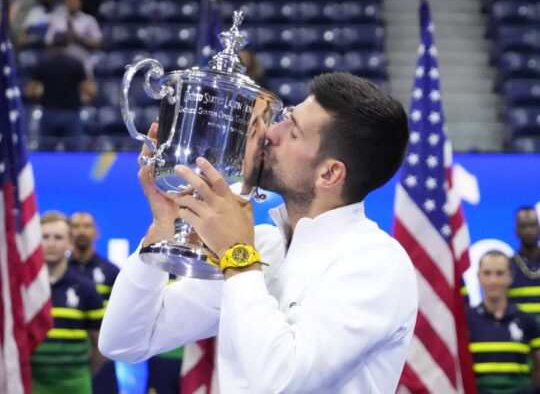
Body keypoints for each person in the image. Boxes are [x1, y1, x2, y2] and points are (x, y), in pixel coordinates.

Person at [99, 72, 418, 393]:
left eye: (292, 131)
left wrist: (238, 255)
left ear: (329, 173)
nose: (267, 131)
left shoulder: (377, 263)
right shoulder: (263, 245)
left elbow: (281, 382)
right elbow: (126, 341)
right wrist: (163, 228)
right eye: (284, 117)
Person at [31, 211, 106, 394]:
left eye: (58, 237)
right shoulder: (24, 289)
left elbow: (101, 346)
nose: (51, 243)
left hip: (76, 385)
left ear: (70, 242)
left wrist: (80, 374)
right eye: (45, 237)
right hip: (31, 386)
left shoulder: (86, 289)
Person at [467, 250, 540, 394]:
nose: (493, 281)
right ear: (478, 277)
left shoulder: (527, 321)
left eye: (500, 273)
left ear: (510, 277)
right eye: (487, 273)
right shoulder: (467, 321)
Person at [68, 211, 120, 394]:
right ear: (68, 233)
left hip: (103, 355)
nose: (81, 230)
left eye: (87, 226)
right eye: (75, 226)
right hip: (68, 357)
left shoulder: (111, 272)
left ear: (96, 232)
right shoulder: (58, 273)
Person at [26, 32, 96, 150]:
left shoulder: (43, 63)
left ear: (52, 45)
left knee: (46, 154)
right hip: (71, 114)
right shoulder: (76, 63)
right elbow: (90, 91)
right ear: (68, 46)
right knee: (73, 156)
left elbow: (30, 91)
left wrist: (44, 95)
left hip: (49, 113)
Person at [44, 0, 102, 77]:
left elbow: (97, 43)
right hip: (61, 67)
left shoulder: (89, 20)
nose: (72, 4)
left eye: (74, 1)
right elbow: (48, 42)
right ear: (65, 3)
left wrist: (79, 39)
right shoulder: (57, 20)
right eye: (69, 1)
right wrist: (61, 40)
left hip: (83, 65)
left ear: (80, 3)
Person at [508, 206, 540, 325]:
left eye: (532, 225)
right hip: (520, 334)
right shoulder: (508, 266)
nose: (528, 231)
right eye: (523, 226)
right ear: (516, 230)